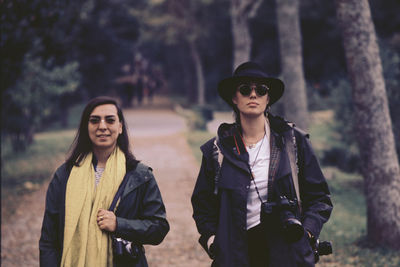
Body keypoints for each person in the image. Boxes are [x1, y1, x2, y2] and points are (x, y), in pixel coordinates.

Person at [191, 62, 333, 267]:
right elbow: (202, 204)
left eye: (261, 90)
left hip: (287, 254)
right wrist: (212, 239)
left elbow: (320, 197)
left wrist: (307, 233)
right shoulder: (217, 150)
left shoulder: (293, 142)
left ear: (268, 98)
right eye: (245, 89)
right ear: (234, 97)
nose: (253, 95)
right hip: (235, 255)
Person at [39, 96, 169, 267]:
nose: (102, 126)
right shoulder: (64, 175)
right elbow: (49, 238)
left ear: (120, 127)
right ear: (86, 127)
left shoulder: (140, 175)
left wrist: (119, 224)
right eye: (94, 121)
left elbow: (158, 228)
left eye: (110, 120)